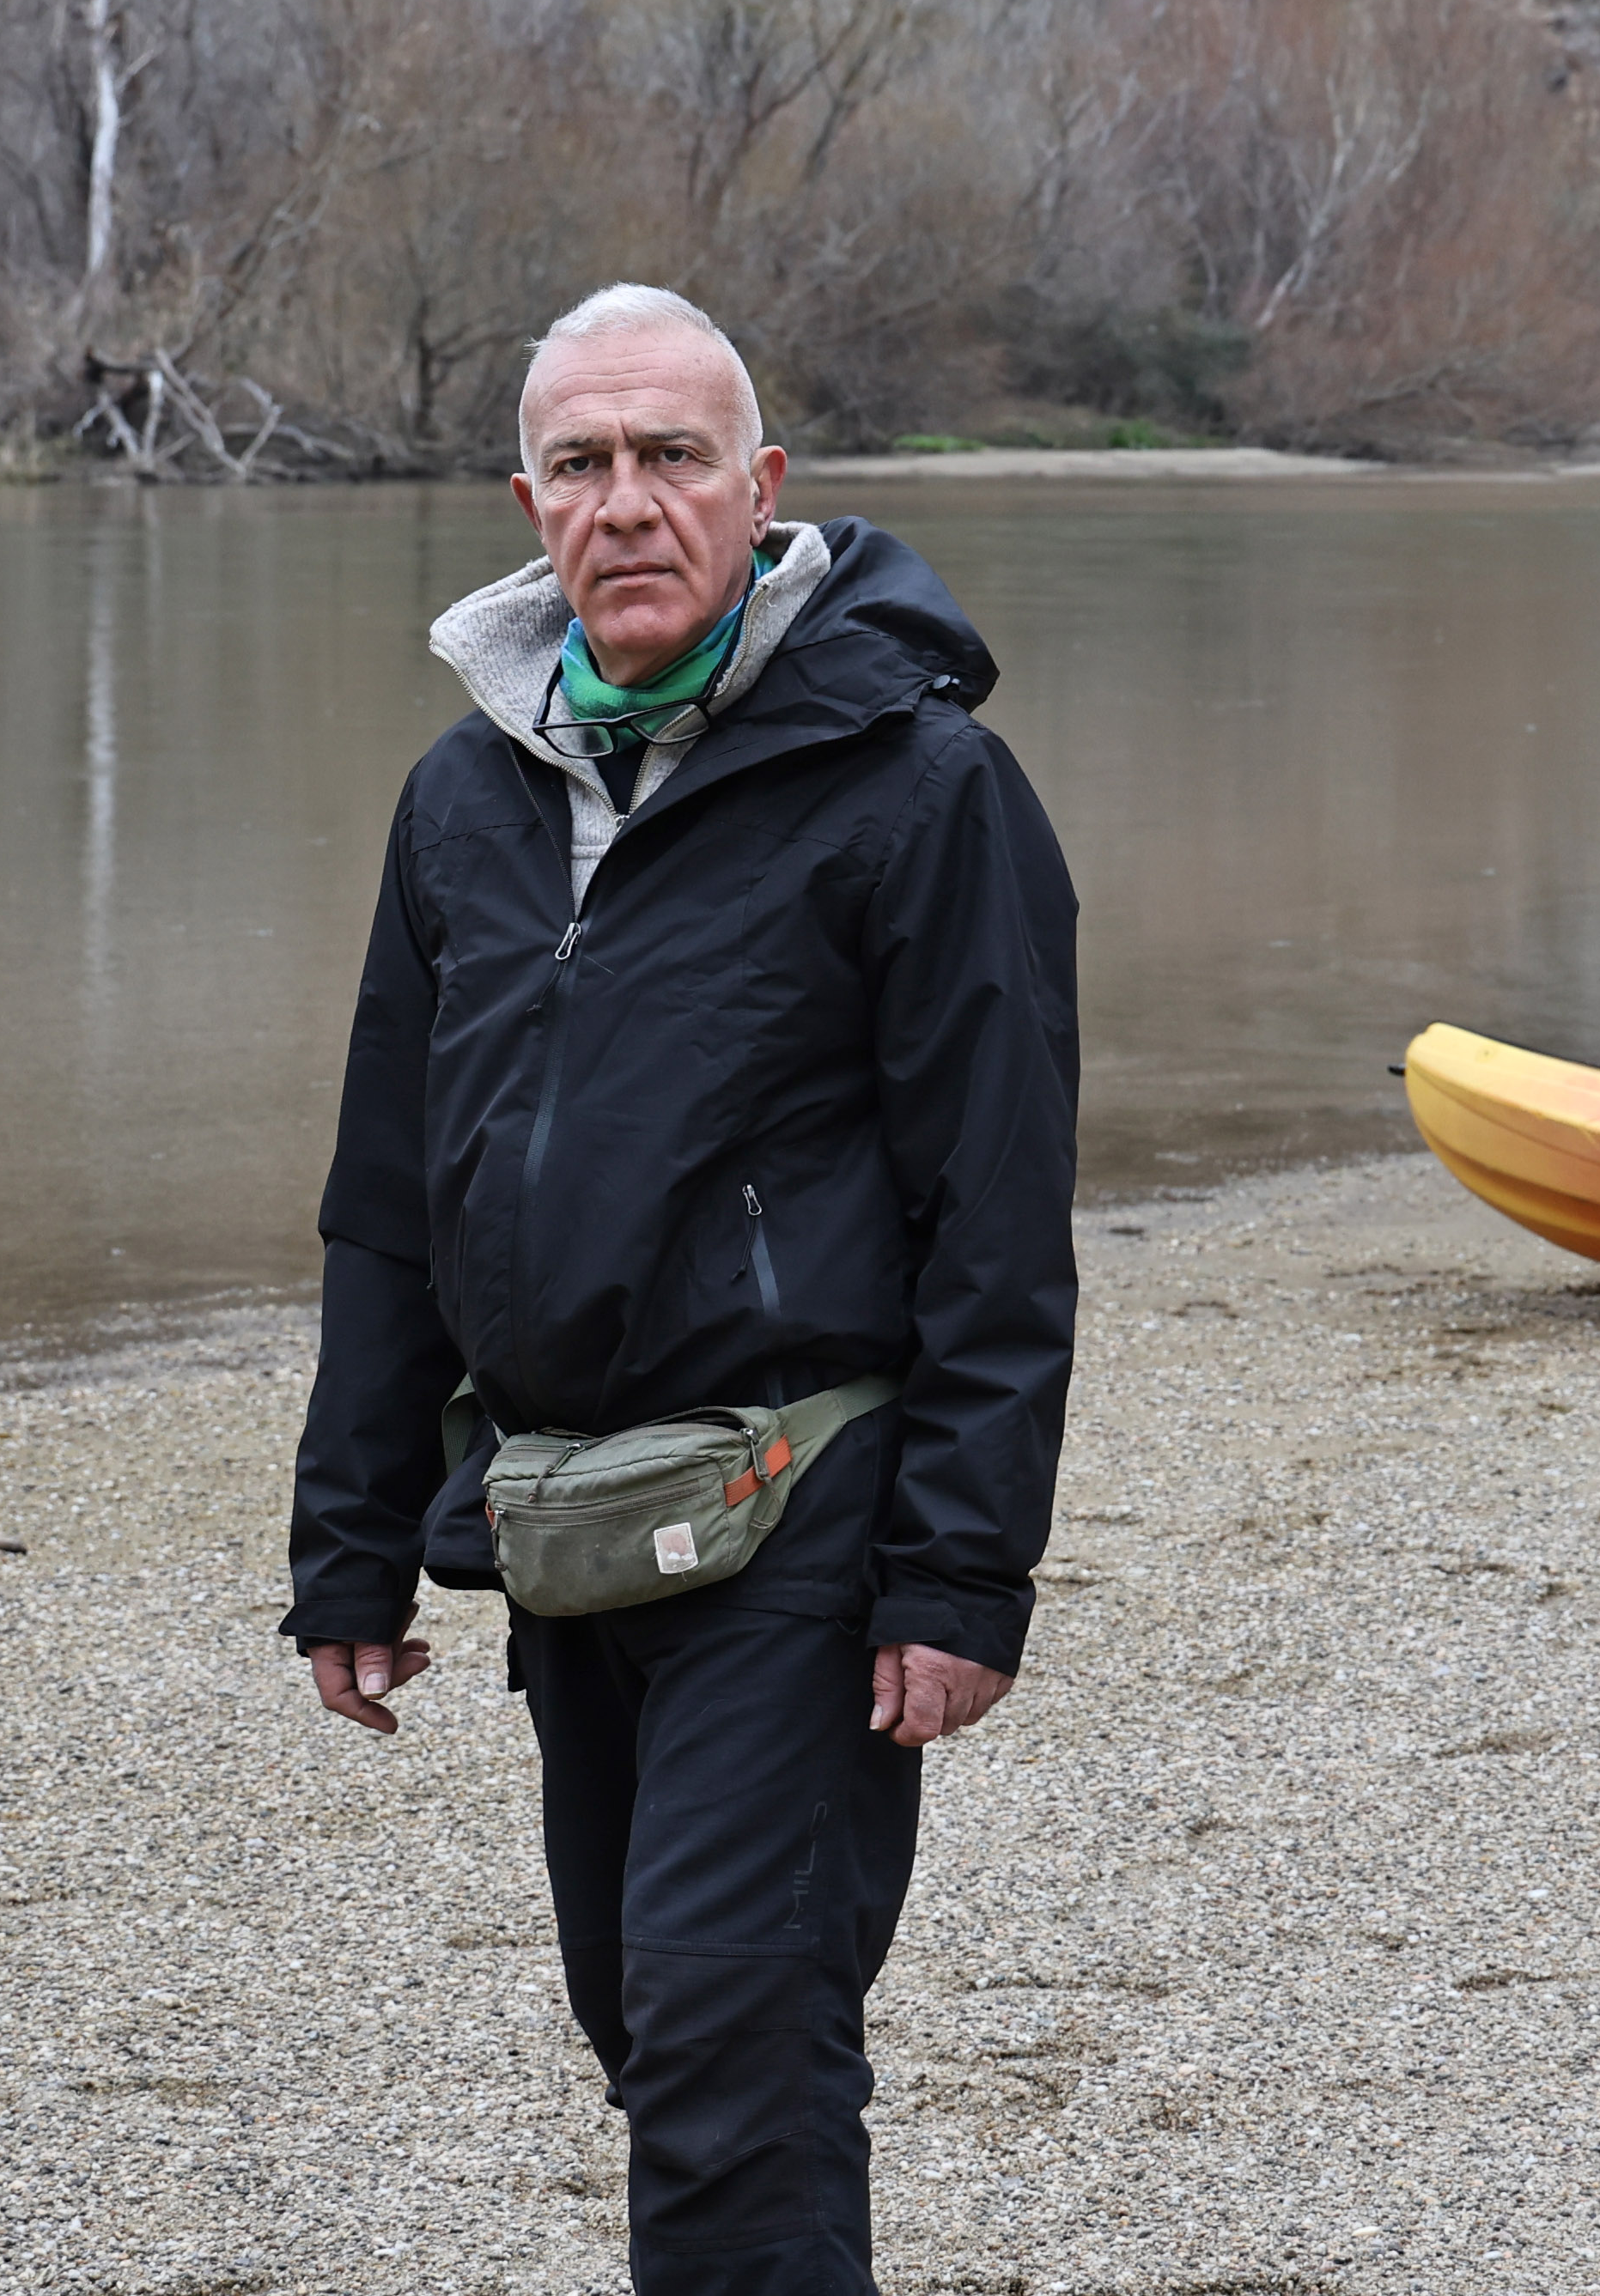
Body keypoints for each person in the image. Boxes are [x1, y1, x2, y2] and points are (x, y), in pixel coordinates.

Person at [283, 281, 1080, 2296]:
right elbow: (394, 1191)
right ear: (527, 495)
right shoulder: (463, 798)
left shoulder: (917, 785)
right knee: (651, 2018)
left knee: (733, 2036)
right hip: (568, 1516)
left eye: (671, 457)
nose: (626, 503)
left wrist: (961, 1570)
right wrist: (353, 1538)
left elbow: (998, 1210)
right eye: (582, 462)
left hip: (805, 1510)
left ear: (762, 485)